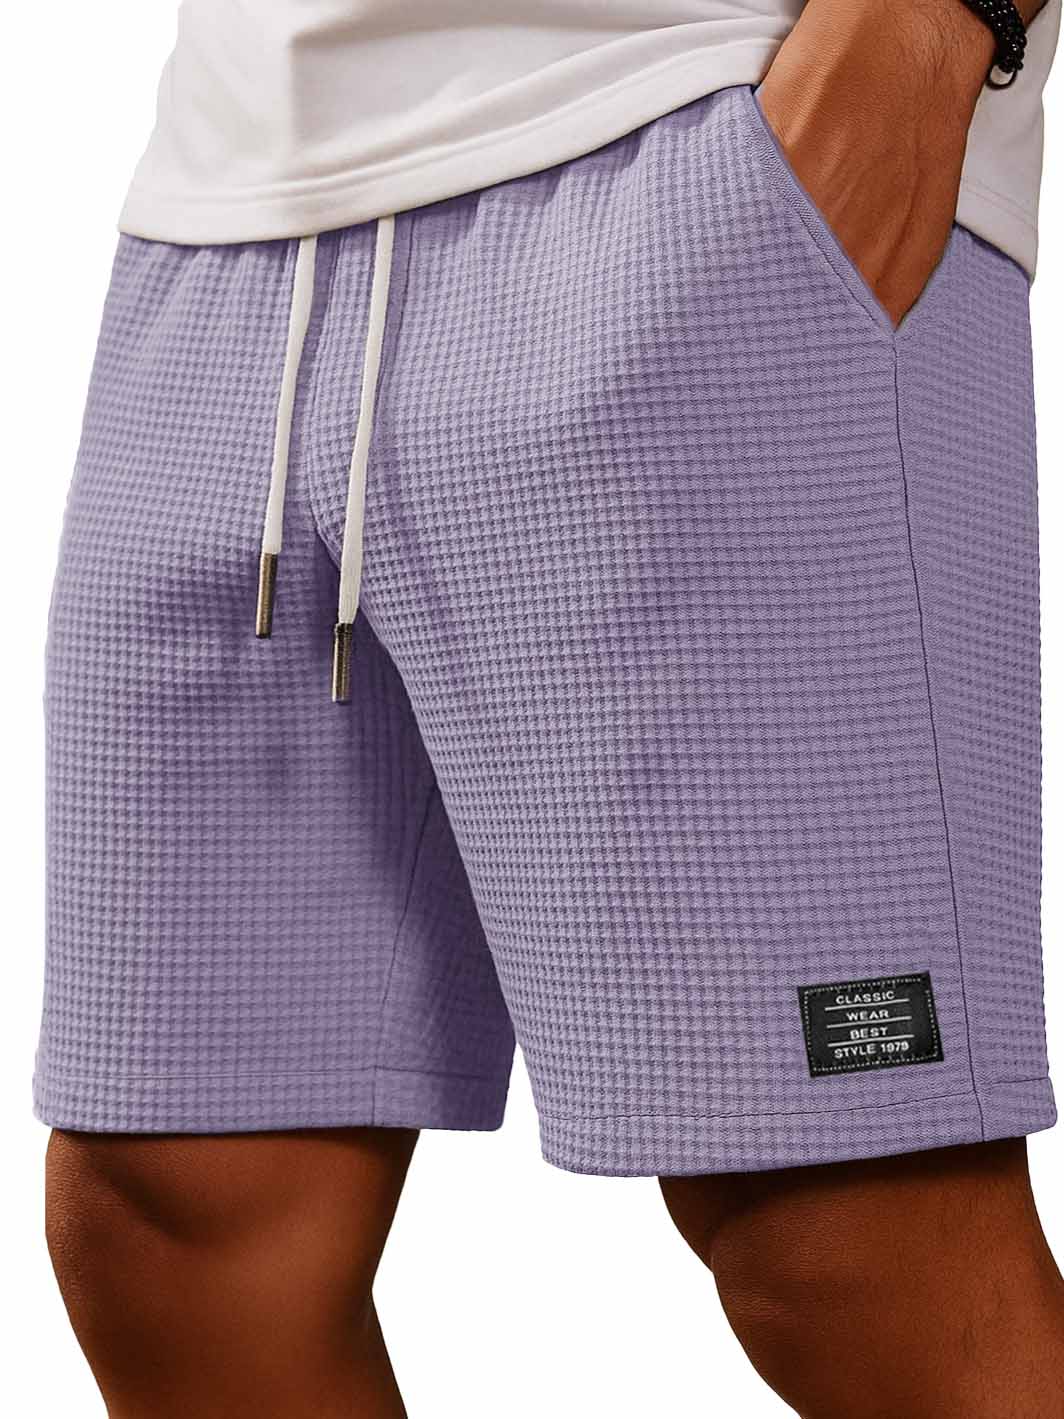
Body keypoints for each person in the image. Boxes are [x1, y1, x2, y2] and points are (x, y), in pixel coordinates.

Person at [37, 0, 1064, 1414]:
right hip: (230, 220)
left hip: (695, 137)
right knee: (175, 1217)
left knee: (851, 1237)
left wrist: (934, 23)